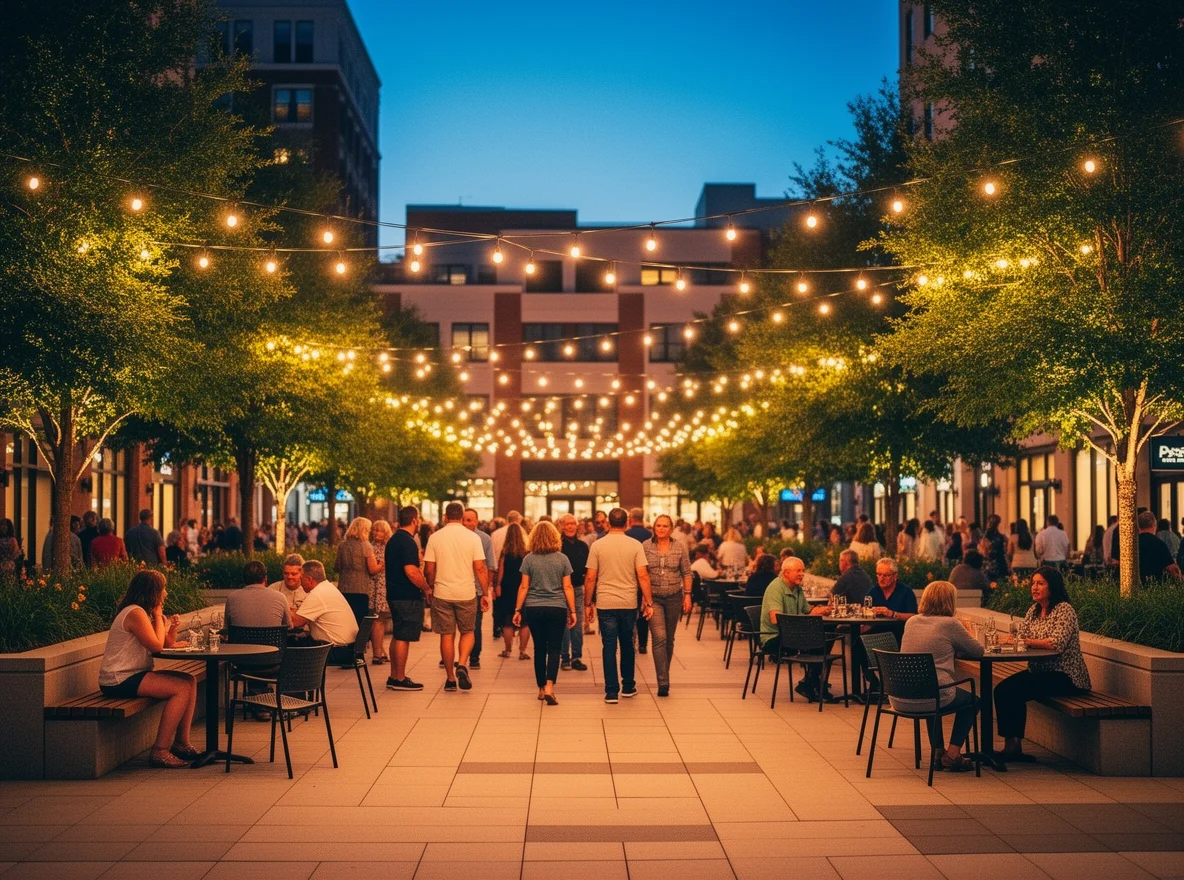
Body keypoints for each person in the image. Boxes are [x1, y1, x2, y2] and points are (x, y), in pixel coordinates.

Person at [97, 570, 197, 768]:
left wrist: (172, 629)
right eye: (163, 589)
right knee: (181, 688)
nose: (166, 593)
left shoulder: (142, 612)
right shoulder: (135, 613)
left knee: (189, 681)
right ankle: (160, 751)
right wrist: (159, 616)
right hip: (119, 679)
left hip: (133, 674)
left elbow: (164, 643)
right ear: (153, 591)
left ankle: (182, 744)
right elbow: (156, 647)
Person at [994, 567, 1091, 763]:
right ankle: (1011, 745)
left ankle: (1014, 748)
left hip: (1065, 676)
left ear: (1052, 587)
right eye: (1033, 583)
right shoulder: (1034, 610)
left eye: (1040, 583)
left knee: (1013, 691)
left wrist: (1026, 641)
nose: (1034, 588)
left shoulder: (1064, 610)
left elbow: (1056, 643)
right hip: (1040, 671)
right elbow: (1021, 637)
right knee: (1002, 689)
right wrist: (1009, 640)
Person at [897, 580, 983, 771]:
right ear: (950, 601)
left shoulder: (912, 622)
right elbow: (978, 651)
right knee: (974, 701)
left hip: (901, 696)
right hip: (933, 695)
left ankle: (937, 751)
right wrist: (968, 631)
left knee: (927, 688)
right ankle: (952, 755)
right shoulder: (950, 624)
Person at [584, 507, 653, 704]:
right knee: (627, 644)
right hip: (628, 601)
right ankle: (629, 686)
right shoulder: (635, 545)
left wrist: (588, 603)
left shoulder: (598, 545)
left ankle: (611, 691)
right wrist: (649, 601)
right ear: (627, 523)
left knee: (608, 646)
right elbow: (642, 575)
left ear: (608, 523)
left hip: (606, 602)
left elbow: (590, 577)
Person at [424, 502, 490, 692]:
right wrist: (485, 593)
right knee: (468, 631)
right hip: (466, 592)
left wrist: (430, 586)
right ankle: (462, 663)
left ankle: (450, 678)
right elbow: (480, 568)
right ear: (462, 517)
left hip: (442, 592)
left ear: (445, 517)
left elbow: (429, 568)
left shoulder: (435, 537)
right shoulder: (472, 538)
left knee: (447, 635)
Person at [512, 521, 577, 705]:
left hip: (534, 608)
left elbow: (524, 586)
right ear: (555, 537)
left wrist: (517, 610)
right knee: (555, 647)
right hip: (557, 607)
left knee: (539, 648)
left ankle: (540, 688)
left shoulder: (529, 559)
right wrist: (573, 611)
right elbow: (568, 587)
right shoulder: (562, 559)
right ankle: (550, 686)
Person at [760, 557, 832, 701]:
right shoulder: (776, 588)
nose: (802, 574)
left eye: (803, 570)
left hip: (791, 635)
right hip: (773, 638)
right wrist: (801, 625)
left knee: (827, 637)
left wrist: (821, 610)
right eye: (798, 571)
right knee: (819, 641)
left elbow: (807, 611)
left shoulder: (796, 588)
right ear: (786, 573)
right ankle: (812, 683)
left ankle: (810, 682)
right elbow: (776, 619)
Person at [642, 514, 692, 697]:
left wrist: (687, 595)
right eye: (658, 526)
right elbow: (641, 573)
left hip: (673, 597)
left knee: (669, 638)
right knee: (659, 637)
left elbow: (687, 572)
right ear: (654, 528)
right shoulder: (646, 547)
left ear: (671, 529)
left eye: (665, 526)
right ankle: (663, 681)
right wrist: (644, 600)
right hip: (653, 597)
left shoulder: (679, 547)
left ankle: (665, 673)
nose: (661, 529)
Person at [384, 506, 430, 691]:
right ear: (414, 520)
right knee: (404, 636)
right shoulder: (408, 542)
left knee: (398, 634)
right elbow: (411, 571)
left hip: (394, 593)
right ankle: (400, 678)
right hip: (406, 595)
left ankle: (394, 675)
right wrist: (426, 587)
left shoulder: (394, 539)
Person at [290, 560, 359, 665]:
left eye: (301, 578)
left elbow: (297, 622)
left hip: (336, 652)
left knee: (289, 647)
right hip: (349, 649)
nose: (300, 581)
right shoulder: (327, 588)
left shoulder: (317, 594)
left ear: (309, 579)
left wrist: (283, 608)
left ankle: (293, 681)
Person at [335, 517, 382, 635]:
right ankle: (358, 648)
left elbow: (337, 567)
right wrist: (381, 564)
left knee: (346, 620)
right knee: (359, 621)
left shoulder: (342, 545)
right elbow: (372, 569)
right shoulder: (366, 545)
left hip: (344, 588)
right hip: (360, 588)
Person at [463, 508, 496, 670]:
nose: (467, 523)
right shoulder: (456, 538)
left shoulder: (484, 539)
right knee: (457, 624)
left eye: (470, 520)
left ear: (477, 521)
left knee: (475, 624)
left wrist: (486, 590)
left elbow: (490, 566)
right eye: (464, 519)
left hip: (476, 588)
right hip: (460, 586)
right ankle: (456, 655)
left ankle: (474, 656)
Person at [493, 522, 531, 659]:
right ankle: (523, 651)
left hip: (507, 588)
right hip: (523, 587)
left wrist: (497, 585)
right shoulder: (526, 554)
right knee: (524, 621)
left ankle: (507, 650)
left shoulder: (505, 553)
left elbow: (501, 572)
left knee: (507, 621)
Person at [558, 514, 590, 671]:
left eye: (572, 524)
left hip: (577, 588)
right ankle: (564, 657)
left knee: (576, 622)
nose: (570, 527)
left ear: (577, 526)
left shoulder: (583, 546)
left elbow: (588, 569)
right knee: (563, 623)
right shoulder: (557, 546)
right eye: (566, 524)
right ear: (561, 527)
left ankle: (577, 656)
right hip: (560, 589)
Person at [225, 560, 291, 628]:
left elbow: (226, 630)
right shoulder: (280, 597)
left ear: (244, 579)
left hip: (241, 638)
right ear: (265, 578)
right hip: (271, 638)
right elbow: (289, 628)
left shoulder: (232, 598)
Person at [368, 520, 394, 665]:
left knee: (381, 620)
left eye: (380, 531)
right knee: (378, 620)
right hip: (376, 585)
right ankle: (377, 653)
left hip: (384, 585)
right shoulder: (372, 547)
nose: (376, 533)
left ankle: (380, 650)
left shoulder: (387, 546)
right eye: (375, 530)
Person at [1136, 510, 1182, 582]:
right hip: (1155, 585)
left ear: (1138, 526)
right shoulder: (1159, 544)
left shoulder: (1134, 544)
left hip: (1136, 584)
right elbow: (1172, 568)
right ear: (1154, 525)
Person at [869, 557, 917, 621]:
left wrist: (893, 614)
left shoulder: (906, 592)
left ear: (895, 576)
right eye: (879, 574)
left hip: (898, 630)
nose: (881, 578)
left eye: (886, 575)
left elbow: (914, 617)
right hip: (876, 630)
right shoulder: (873, 592)